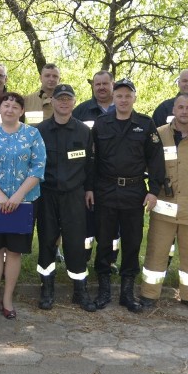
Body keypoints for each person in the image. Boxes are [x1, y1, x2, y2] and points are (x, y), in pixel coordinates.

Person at [91, 78, 165, 313]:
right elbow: (92, 160)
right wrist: (90, 188)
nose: (123, 99)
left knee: (132, 242)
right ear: (113, 97)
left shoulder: (145, 124)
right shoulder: (101, 124)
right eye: (119, 95)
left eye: (127, 95)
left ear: (134, 97)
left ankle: (126, 292)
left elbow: (156, 159)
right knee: (104, 241)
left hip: (134, 191)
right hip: (105, 190)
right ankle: (104, 290)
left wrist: (153, 191)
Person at [139, 93, 188, 312]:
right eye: (180, 107)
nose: (184, 111)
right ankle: (149, 295)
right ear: (174, 109)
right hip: (164, 207)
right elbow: (149, 166)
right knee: (156, 253)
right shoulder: (159, 135)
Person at [0, 92, 46, 319]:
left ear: (22, 111)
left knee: (14, 251)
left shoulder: (33, 134)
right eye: (6, 105)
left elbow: (38, 168)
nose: (10, 109)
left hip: (23, 203)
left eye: (15, 106)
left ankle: (8, 299)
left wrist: (17, 196)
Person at [35, 84, 96, 311]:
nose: (63, 102)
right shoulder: (39, 131)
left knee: (75, 243)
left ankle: (80, 291)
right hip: (46, 195)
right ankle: (47, 289)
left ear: (73, 102)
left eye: (68, 99)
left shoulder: (83, 131)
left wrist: (89, 189)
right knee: (47, 240)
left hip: (74, 195)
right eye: (59, 98)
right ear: (52, 102)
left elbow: (90, 164)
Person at [72, 70, 119, 272]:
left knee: (112, 224)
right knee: (86, 222)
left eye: (104, 83)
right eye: (97, 84)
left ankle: (109, 261)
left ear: (112, 85)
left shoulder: (123, 109)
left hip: (115, 178)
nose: (100, 87)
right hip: (87, 175)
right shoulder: (82, 111)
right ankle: (83, 260)